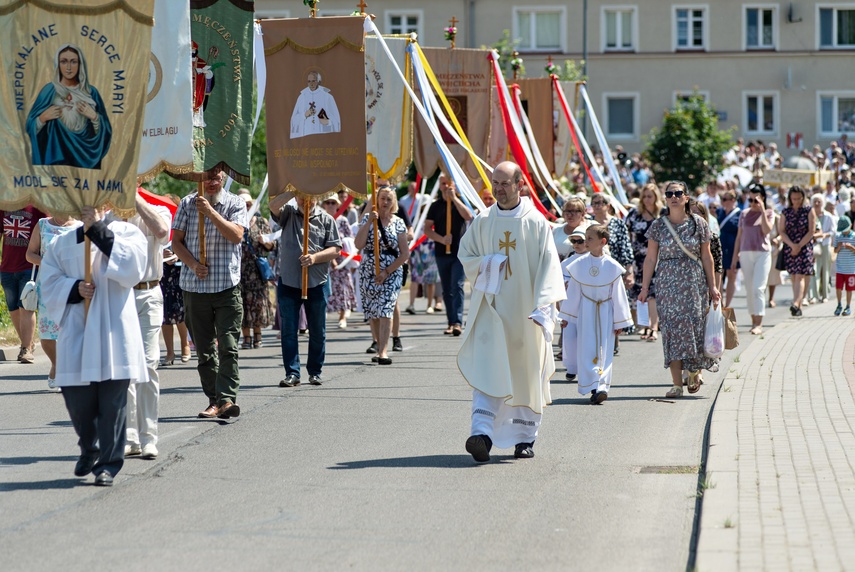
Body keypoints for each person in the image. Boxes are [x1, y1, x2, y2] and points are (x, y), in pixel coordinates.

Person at [458, 161, 565, 462]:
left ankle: (524, 439)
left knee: (525, 373)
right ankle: (482, 435)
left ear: (520, 184)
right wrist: (489, 263)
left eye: (505, 183)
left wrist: (544, 307)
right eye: (495, 182)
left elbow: (549, 266)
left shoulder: (536, 223)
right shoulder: (483, 220)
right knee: (487, 368)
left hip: (525, 315)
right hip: (491, 313)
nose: (499, 188)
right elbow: (466, 255)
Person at [39, 205, 148, 486]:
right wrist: (74, 288)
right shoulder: (62, 242)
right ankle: (89, 446)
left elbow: (133, 270)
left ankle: (108, 465)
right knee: (78, 402)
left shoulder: (127, 233)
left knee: (113, 406)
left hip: (114, 331)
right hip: (78, 328)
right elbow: (48, 281)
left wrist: (97, 230)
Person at [172, 169, 247, 419]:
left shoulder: (235, 203)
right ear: (199, 179)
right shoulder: (185, 203)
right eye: (207, 178)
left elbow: (236, 235)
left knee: (228, 345)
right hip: (195, 288)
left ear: (223, 179)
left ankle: (227, 399)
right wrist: (193, 264)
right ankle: (213, 400)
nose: (211, 183)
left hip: (226, 286)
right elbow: (176, 243)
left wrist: (210, 212)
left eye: (216, 178)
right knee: (205, 351)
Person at [639, 180, 721, 398]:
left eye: (678, 193)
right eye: (669, 194)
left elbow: (707, 256)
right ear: (665, 198)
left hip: (694, 283)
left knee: (694, 327)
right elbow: (650, 258)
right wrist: (645, 287)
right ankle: (676, 384)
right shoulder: (658, 225)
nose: (673, 197)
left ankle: (694, 370)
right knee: (672, 331)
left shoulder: (699, 224)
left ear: (686, 197)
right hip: (667, 283)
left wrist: (713, 286)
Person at [271, 194, 341, 386]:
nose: (306, 200)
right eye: (302, 196)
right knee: (289, 330)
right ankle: (292, 373)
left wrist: (315, 258)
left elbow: (336, 249)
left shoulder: (326, 219)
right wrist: (294, 190)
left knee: (317, 330)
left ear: (318, 196)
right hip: (289, 281)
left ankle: (315, 371)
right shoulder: (288, 214)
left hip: (317, 282)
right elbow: (273, 205)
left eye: (310, 195)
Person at [559, 224, 633, 404]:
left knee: (605, 350)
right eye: (586, 238)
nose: (586, 241)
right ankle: (592, 385)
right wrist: (567, 316)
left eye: (590, 238)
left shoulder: (612, 266)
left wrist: (620, 322)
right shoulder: (578, 265)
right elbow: (574, 292)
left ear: (602, 242)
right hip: (586, 311)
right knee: (587, 348)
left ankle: (601, 386)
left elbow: (619, 295)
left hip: (606, 311)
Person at [123, 191, 171, 459]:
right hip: (119, 294)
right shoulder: (112, 215)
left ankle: (149, 437)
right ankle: (130, 437)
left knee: (148, 363)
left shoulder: (158, 210)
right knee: (125, 366)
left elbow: (163, 231)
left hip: (149, 292)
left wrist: (135, 200)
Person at [26, 44, 111, 168]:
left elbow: (106, 133)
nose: (69, 67)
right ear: (58, 65)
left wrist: (94, 117)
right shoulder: (49, 91)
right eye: (64, 62)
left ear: (80, 64)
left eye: (73, 62)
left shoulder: (91, 92)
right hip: (55, 159)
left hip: (85, 157)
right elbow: (29, 129)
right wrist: (42, 118)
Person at [25, 212, 82, 390]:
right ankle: (57, 365)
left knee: (73, 329)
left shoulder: (80, 226)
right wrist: (48, 261)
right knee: (47, 333)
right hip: (48, 286)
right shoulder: (43, 225)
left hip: (74, 285)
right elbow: (29, 254)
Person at [354, 187, 408, 364]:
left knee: (386, 309)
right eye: (382, 198)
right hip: (368, 270)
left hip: (391, 271)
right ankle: (378, 343)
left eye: (389, 199)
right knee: (373, 311)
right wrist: (369, 221)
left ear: (394, 203)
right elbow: (358, 244)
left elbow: (404, 254)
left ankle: (383, 352)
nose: (385, 202)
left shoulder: (398, 223)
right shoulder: (368, 219)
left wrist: (386, 271)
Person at [425, 175, 474, 336]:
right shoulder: (435, 206)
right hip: (441, 253)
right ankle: (451, 321)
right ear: (439, 186)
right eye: (443, 184)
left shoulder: (459, 203)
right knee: (446, 289)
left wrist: (454, 199)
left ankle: (458, 322)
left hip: (459, 253)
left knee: (457, 285)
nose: (445, 186)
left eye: (448, 184)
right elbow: (427, 229)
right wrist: (441, 239)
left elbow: (468, 216)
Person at [1, 205, 44, 364]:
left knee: (26, 305)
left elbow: (45, 230)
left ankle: (25, 349)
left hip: (29, 266)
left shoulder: (38, 207)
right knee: (13, 307)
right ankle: (27, 343)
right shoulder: (4, 206)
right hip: (6, 266)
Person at [731, 184, 774, 335]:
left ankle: (759, 323)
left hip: (762, 253)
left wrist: (762, 209)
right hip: (745, 253)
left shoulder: (768, 213)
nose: (753, 203)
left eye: (756, 199)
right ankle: (753, 320)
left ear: (762, 198)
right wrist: (733, 258)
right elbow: (739, 236)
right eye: (750, 199)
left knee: (758, 288)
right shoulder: (744, 213)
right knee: (749, 289)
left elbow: (767, 230)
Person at [237, 189, 275, 349]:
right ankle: (246, 337)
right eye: (243, 205)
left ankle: (258, 335)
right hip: (239, 270)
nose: (246, 207)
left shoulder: (261, 222)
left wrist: (263, 241)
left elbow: (272, 245)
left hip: (256, 271)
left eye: (248, 204)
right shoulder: (235, 222)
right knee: (242, 303)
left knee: (257, 303)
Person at [625, 183, 663, 342]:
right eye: (644, 196)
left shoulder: (662, 214)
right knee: (641, 292)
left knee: (654, 293)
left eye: (650, 196)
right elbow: (626, 232)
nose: (647, 199)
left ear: (656, 197)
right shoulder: (634, 213)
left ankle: (654, 327)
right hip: (638, 258)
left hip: (657, 258)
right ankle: (644, 324)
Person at [159, 196, 191, 366]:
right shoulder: (159, 222)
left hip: (179, 272)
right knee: (164, 315)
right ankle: (169, 352)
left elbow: (188, 245)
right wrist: (160, 254)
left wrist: (177, 254)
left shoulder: (184, 224)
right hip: (162, 274)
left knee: (180, 313)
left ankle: (185, 346)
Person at [779, 185, 816, 316]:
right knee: (794, 276)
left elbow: (811, 231)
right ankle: (798, 304)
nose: (796, 201)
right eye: (794, 198)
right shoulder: (786, 212)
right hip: (790, 246)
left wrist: (799, 245)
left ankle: (795, 303)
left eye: (798, 198)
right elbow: (781, 231)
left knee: (801, 275)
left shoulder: (808, 210)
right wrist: (792, 245)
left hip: (804, 245)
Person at [322, 195, 357, 329]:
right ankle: (322, 313)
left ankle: (342, 316)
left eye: (333, 203)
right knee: (324, 288)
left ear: (337, 205)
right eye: (328, 202)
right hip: (324, 260)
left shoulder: (342, 221)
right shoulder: (321, 219)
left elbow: (351, 238)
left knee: (342, 288)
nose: (330, 205)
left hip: (341, 261)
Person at [560, 228, 588, 382]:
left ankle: (587, 368)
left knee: (587, 338)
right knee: (570, 337)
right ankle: (572, 367)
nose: (576, 244)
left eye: (580, 241)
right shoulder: (566, 263)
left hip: (588, 304)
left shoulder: (593, 259)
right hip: (570, 305)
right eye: (574, 241)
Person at [290, 71, 341, 139]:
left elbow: (337, 121)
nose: (311, 84)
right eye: (309, 81)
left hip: (323, 137)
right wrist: (304, 115)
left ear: (318, 81)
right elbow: (293, 121)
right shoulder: (302, 97)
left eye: (313, 81)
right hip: (306, 137)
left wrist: (328, 122)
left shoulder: (327, 97)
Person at [717, 189, 741, 307]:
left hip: (733, 248)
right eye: (722, 199)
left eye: (726, 199)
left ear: (733, 200)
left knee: (732, 275)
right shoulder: (719, 212)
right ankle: (720, 302)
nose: (723, 202)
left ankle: (727, 304)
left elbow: (742, 234)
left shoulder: (739, 214)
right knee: (719, 275)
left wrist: (739, 253)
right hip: (720, 247)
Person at [809, 193, 834, 303]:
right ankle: (814, 295)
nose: (817, 203)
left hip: (825, 244)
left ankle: (825, 295)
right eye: (815, 201)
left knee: (826, 270)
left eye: (819, 201)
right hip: (814, 245)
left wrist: (824, 235)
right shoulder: (810, 215)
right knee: (814, 270)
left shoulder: (828, 216)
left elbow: (833, 231)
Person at [552, 196, 589, 261]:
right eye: (567, 211)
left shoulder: (591, 229)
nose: (569, 215)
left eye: (574, 211)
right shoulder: (556, 230)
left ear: (583, 213)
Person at [833, 216, 855, 316]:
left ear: (850, 226)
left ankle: (848, 306)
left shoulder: (854, 236)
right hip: (840, 268)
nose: (844, 232)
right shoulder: (838, 236)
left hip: (851, 269)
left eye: (846, 230)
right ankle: (838, 304)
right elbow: (835, 251)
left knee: (849, 289)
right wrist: (839, 247)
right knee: (838, 287)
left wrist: (851, 248)